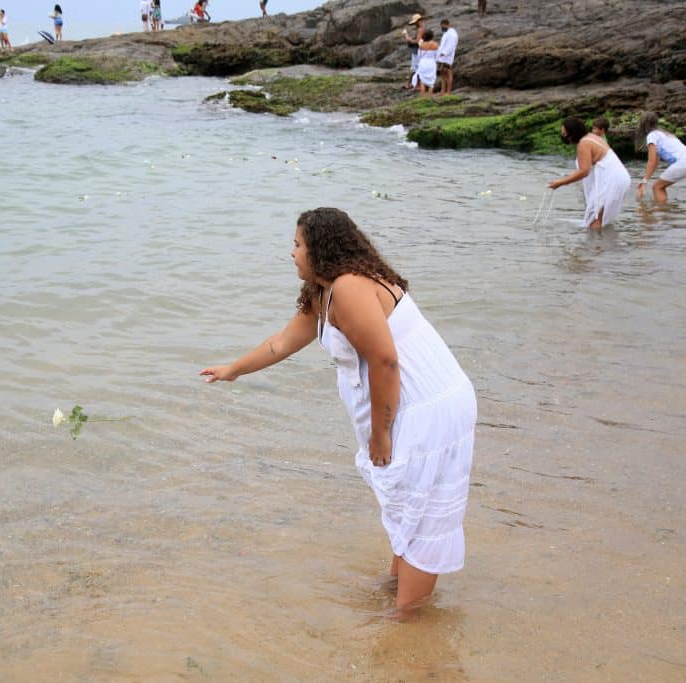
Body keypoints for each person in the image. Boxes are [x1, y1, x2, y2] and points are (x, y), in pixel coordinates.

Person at [199, 208, 477, 611]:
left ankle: (407, 623)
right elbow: (282, 341)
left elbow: (385, 361)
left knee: (420, 514)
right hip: (412, 403)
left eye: (297, 245)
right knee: (404, 505)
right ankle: (397, 594)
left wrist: (380, 434)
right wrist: (233, 370)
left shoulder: (349, 288)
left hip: (428, 408)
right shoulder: (324, 290)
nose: (291, 253)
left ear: (321, 249)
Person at [548, 117, 631, 229]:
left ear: (572, 133)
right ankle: (600, 245)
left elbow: (584, 171)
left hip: (612, 181)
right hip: (620, 178)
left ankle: (595, 245)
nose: (563, 136)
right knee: (598, 219)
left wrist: (560, 182)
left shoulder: (584, 143)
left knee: (595, 221)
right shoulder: (592, 138)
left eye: (564, 133)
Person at [635, 111, 686, 204]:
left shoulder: (652, 136)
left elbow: (652, 161)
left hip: (684, 162)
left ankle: (662, 213)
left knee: (657, 187)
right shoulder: (665, 133)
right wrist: (645, 180)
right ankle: (666, 211)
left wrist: (644, 182)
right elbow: (656, 162)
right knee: (660, 186)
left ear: (643, 125)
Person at [411, 29, 439, 96]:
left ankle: (422, 97)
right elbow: (437, 56)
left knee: (422, 81)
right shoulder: (435, 44)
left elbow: (419, 56)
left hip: (423, 63)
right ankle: (429, 97)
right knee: (431, 82)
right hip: (431, 63)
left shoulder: (421, 45)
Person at [401, 14, 425, 90]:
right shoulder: (421, 28)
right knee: (416, 68)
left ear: (419, 21)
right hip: (417, 50)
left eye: (415, 22)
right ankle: (412, 84)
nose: (415, 24)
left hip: (417, 51)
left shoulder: (420, 29)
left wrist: (407, 37)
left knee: (416, 68)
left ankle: (413, 84)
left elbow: (417, 41)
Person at [436, 19, 458, 96]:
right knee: (442, 75)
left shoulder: (453, 34)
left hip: (447, 57)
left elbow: (451, 46)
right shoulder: (446, 33)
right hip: (441, 57)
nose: (442, 28)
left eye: (442, 26)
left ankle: (448, 92)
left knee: (448, 74)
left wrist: (444, 53)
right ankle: (442, 91)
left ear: (447, 24)